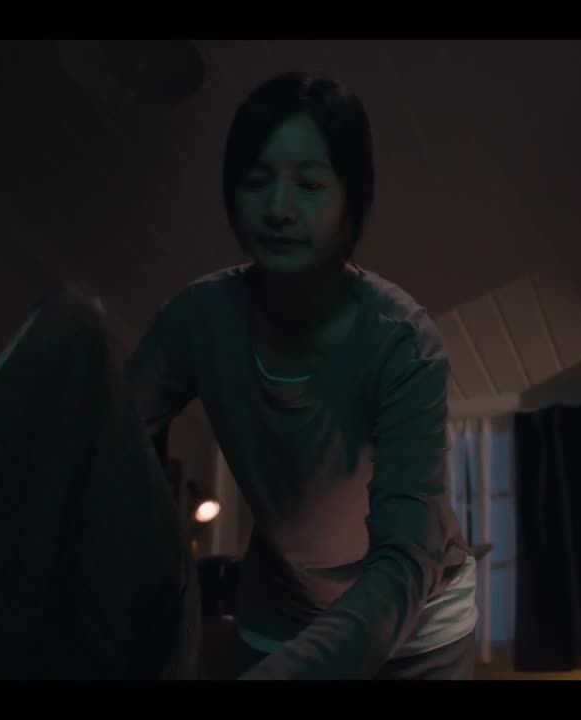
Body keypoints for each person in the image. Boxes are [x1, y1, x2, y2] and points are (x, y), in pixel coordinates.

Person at [126, 71, 479, 680]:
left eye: (310, 184)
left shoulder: (403, 343)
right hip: (282, 614)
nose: (279, 210)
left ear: (352, 199)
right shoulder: (197, 320)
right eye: (256, 182)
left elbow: (404, 559)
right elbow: (106, 439)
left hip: (420, 630)